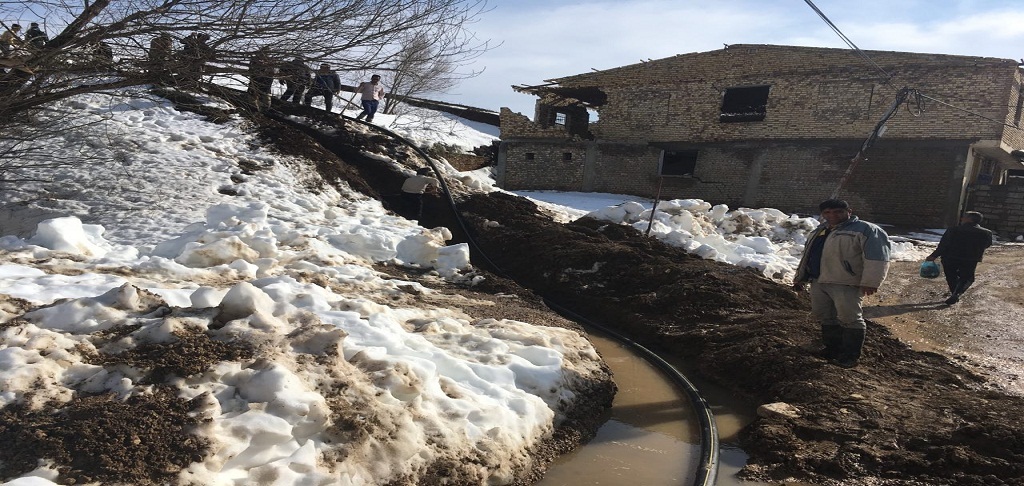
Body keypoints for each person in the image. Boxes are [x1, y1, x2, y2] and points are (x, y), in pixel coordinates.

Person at [793, 199, 891, 368]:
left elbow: (877, 258)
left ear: (849, 211)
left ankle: (850, 356)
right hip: (819, 281)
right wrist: (800, 277)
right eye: (827, 213)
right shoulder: (820, 230)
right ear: (822, 214)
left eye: (838, 212)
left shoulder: (866, 230)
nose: (832, 216)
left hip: (846, 283)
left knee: (850, 318)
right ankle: (832, 350)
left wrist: (871, 282)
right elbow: (809, 255)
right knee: (825, 316)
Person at [925, 211, 993, 306]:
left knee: (951, 276)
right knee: (967, 277)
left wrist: (933, 255)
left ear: (970, 219)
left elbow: (944, 245)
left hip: (950, 257)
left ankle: (954, 293)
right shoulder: (986, 233)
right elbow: (987, 244)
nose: (962, 219)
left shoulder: (953, 230)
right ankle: (956, 294)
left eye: (964, 217)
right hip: (970, 259)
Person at [247, 47, 275, 111]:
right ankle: (256, 110)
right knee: (254, 97)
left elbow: (272, 73)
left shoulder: (270, 60)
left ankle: (262, 111)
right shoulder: (256, 59)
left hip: (264, 81)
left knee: (263, 98)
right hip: (258, 81)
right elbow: (251, 71)